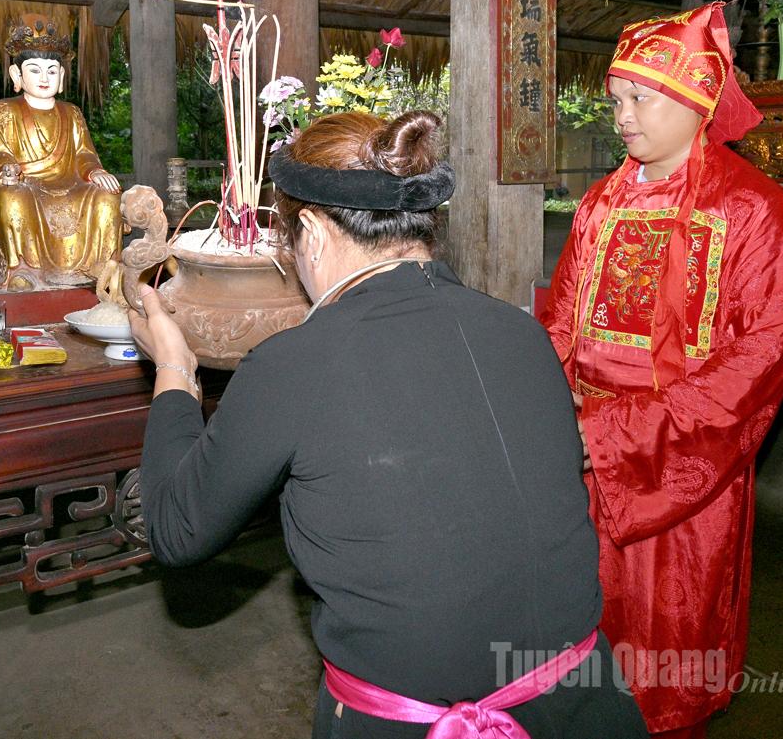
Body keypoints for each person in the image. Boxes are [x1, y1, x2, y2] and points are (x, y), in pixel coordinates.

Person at [130, 110, 648, 739]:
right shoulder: (523, 334)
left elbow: (177, 530)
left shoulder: (293, 364)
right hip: (589, 708)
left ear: (314, 234)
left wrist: (175, 369)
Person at [540, 1, 783, 739]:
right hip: (584, 454)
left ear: (695, 100)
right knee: (577, 641)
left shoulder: (755, 209)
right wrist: (543, 410)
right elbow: (560, 321)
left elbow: (757, 359)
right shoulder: (601, 201)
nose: (622, 117)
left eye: (638, 99)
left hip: (684, 467)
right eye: (617, 100)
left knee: (668, 642)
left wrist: (622, 434)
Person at [0, 13, 123, 292]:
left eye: (52, 71)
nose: (44, 78)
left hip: (72, 185)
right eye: (34, 70)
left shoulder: (72, 113)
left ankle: (105, 268)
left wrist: (95, 171)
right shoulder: (4, 110)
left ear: (62, 76)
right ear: (17, 75)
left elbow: (83, 154)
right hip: (25, 185)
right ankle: (23, 270)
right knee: (9, 198)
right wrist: (6, 168)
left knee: (107, 197)